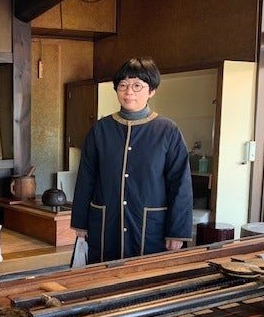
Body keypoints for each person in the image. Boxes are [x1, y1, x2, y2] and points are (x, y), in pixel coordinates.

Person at [70, 57, 193, 264]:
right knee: (104, 275)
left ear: (151, 90)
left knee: (147, 277)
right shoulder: (101, 129)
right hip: (106, 224)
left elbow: (181, 184)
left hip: (150, 227)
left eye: (137, 85)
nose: (129, 92)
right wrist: (80, 221)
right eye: (123, 85)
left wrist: (177, 231)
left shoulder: (168, 131)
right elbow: (86, 177)